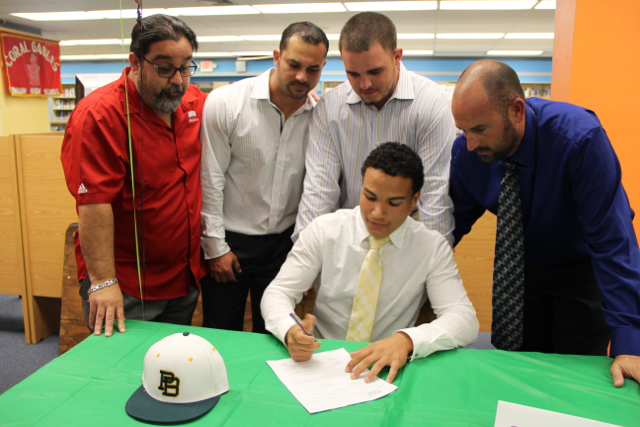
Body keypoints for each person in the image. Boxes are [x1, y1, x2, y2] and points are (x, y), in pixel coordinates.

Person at [449, 59, 640, 386]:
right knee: (519, 370)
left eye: (480, 129)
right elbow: (452, 224)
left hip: (581, 272)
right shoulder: (469, 152)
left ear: (517, 111)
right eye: (463, 130)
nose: (470, 143)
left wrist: (630, 343)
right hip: (520, 271)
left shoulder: (579, 141)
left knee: (572, 377)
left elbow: (613, 243)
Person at [261, 143, 478, 383]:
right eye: (369, 197)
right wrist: (290, 329)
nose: (377, 213)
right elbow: (278, 292)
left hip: (383, 370)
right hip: (320, 361)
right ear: (361, 185)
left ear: (415, 199)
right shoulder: (325, 231)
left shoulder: (431, 247)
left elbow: (464, 319)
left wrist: (406, 340)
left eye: (393, 203)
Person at [61, 14, 207, 337]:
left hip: (182, 279)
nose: (178, 81)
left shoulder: (192, 102)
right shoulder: (99, 116)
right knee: (122, 379)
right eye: (165, 67)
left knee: (170, 372)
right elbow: (93, 205)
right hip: (124, 286)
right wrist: (103, 282)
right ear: (135, 62)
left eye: (186, 67)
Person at [200, 22, 328, 333]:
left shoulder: (322, 116)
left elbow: (318, 189)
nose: (302, 77)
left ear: (323, 67)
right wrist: (215, 246)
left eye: (313, 69)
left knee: (276, 334)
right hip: (230, 241)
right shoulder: (226, 103)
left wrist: (305, 256)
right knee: (222, 333)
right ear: (276, 56)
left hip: (284, 245)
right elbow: (210, 178)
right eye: (294, 65)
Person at [294, 11, 456, 245]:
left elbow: (435, 195)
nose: (364, 84)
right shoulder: (329, 109)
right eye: (353, 74)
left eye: (375, 72)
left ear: (397, 56)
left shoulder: (431, 104)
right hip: (347, 238)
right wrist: (304, 254)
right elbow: (319, 190)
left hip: (409, 239)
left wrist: (436, 263)